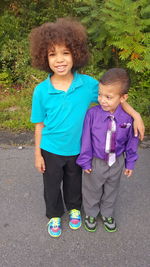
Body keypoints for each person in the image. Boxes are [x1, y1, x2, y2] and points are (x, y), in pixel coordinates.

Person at [30, 18, 144, 238]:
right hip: (51, 148)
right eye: (52, 54)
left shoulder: (89, 84)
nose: (60, 60)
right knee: (52, 184)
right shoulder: (41, 91)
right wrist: (37, 154)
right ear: (44, 57)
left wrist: (135, 114)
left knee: (75, 182)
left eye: (65, 52)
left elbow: (114, 97)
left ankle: (74, 209)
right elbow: (39, 124)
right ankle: (54, 215)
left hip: (81, 150)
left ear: (76, 54)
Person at [76, 68, 139, 233]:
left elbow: (132, 142)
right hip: (96, 161)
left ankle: (107, 213)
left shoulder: (128, 119)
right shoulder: (92, 114)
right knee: (92, 189)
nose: (102, 100)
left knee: (112, 189)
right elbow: (86, 139)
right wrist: (85, 160)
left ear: (123, 98)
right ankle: (90, 213)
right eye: (100, 95)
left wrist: (130, 163)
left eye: (108, 97)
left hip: (116, 161)